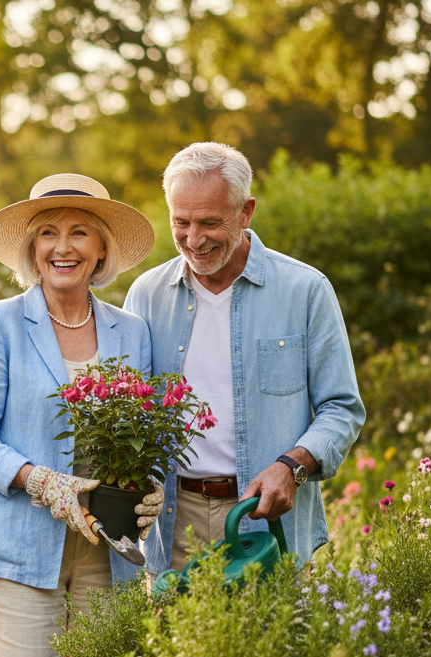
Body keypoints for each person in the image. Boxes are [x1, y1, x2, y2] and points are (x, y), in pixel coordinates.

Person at [0, 173, 162, 657]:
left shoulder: (133, 331)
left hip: (108, 551)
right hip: (19, 549)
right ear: (31, 249)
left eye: (78, 233)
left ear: (101, 250)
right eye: (47, 232)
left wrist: (149, 493)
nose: (61, 246)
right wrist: (42, 481)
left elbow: (142, 438)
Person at [125, 142, 365, 574]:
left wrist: (292, 466)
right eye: (181, 222)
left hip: (267, 518)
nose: (194, 240)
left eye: (209, 223)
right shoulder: (146, 295)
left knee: (274, 641)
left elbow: (342, 408)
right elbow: (133, 408)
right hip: (176, 521)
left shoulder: (305, 290)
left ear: (246, 212)